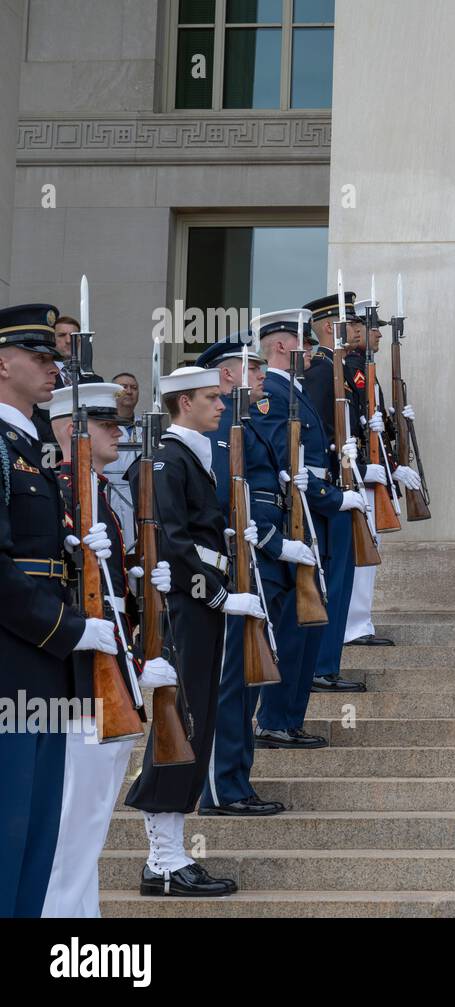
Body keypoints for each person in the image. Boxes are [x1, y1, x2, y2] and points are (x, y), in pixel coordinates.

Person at [123, 365, 261, 897]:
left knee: (195, 724)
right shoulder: (167, 460)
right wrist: (224, 596)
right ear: (183, 403)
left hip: (198, 609)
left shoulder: (192, 457)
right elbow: (174, 547)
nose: (221, 405)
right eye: (211, 397)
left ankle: (170, 855)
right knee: (177, 725)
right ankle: (162, 859)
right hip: (182, 611)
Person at [0, 304, 117, 917]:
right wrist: (71, 629)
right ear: (2, 362)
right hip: (16, 661)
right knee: (8, 830)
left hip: (47, 664)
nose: (53, 369)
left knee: (39, 837)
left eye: (54, 358)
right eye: (40, 358)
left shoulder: (33, 440)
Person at [40, 380, 173, 917]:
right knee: (73, 818)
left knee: (91, 819)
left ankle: (79, 916)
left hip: (111, 670)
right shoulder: (63, 491)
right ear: (72, 430)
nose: (118, 431)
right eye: (105, 424)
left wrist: (144, 586)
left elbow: (113, 592)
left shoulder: (98, 493)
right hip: (76, 679)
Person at [195, 337, 298, 815]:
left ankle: (237, 781)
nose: (261, 375)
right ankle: (220, 787)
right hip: (237, 567)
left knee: (249, 679)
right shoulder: (222, 432)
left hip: (257, 567)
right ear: (227, 374)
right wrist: (274, 542)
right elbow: (225, 503)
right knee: (233, 682)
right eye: (252, 367)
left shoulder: (245, 424)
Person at [255, 310, 368, 748]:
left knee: (307, 625)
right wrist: (334, 498)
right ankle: (276, 718)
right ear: (282, 346)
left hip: (311, 513)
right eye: (303, 340)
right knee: (293, 627)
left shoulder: (294, 391)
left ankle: (289, 718)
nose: (313, 348)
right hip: (297, 516)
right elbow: (287, 465)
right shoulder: (273, 396)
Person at [343, 299, 419, 646]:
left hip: (375, 472)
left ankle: (361, 621)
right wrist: (374, 468)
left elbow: (375, 427)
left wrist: (394, 422)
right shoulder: (352, 368)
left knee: (371, 550)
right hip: (362, 474)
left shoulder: (364, 369)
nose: (377, 335)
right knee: (364, 550)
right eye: (373, 328)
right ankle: (354, 625)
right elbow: (353, 428)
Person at [301, 292, 366, 692]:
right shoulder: (323, 372)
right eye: (348, 325)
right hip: (330, 488)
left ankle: (329, 662)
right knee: (334, 580)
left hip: (344, 481)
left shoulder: (336, 368)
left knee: (342, 579)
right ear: (329, 328)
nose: (354, 332)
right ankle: (323, 665)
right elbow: (317, 435)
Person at [101, 371, 140, 553]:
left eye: (134, 387)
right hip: (111, 497)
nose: (129, 391)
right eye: (124, 387)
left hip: (140, 501)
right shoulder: (102, 426)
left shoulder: (146, 425)